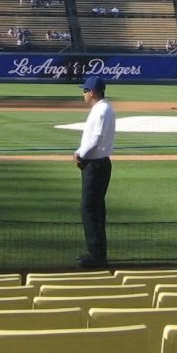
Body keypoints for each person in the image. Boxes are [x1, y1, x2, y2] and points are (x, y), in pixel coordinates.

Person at [73, 74, 115, 269]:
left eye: (84, 91)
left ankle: (96, 255)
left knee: (89, 209)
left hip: (95, 164)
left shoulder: (100, 111)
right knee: (96, 209)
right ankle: (98, 253)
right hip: (100, 162)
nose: (83, 95)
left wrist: (80, 154)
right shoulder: (105, 109)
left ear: (91, 92)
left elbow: (95, 139)